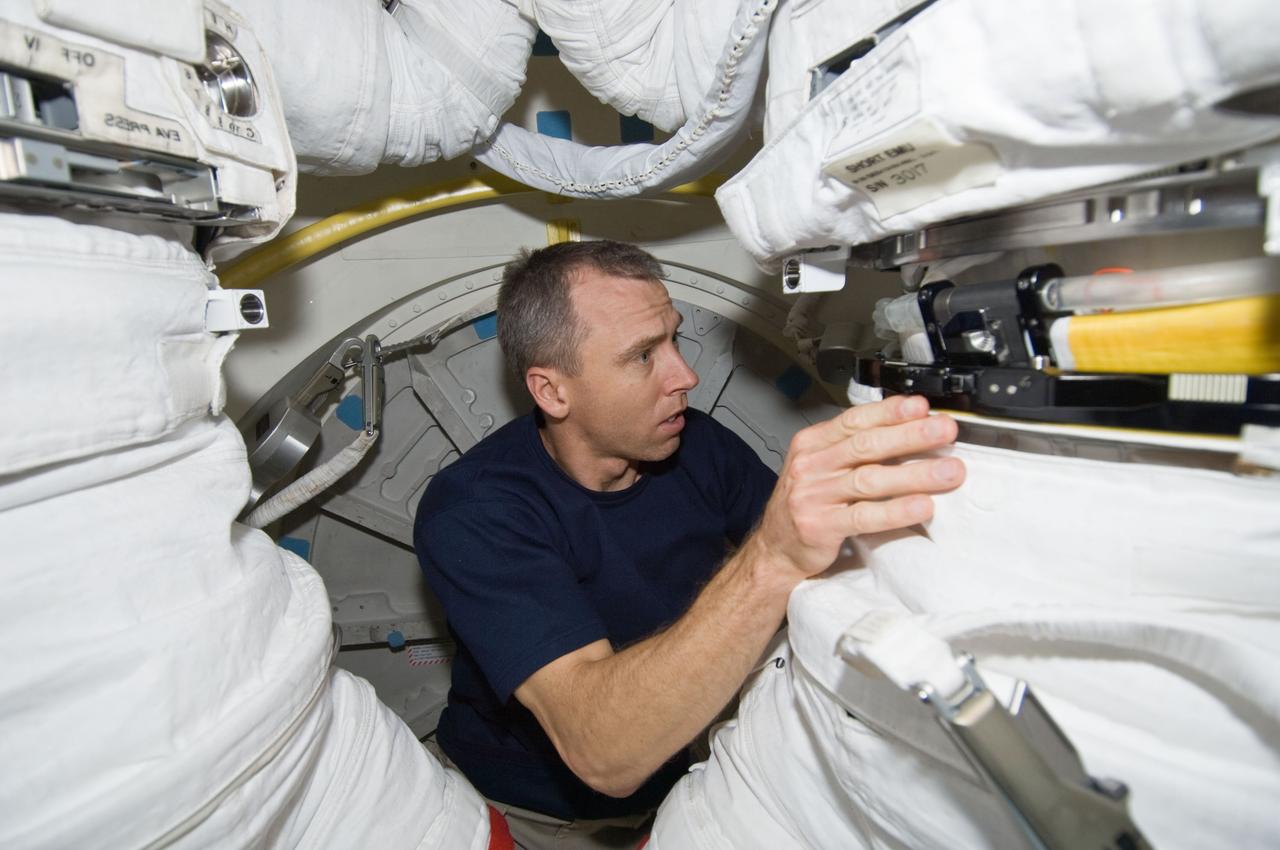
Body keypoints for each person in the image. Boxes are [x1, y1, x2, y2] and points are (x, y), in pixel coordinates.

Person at [413, 240, 965, 848]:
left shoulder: (696, 443)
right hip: (539, 815)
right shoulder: (476, 513)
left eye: (673, 339)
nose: (686, 376)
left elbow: (826, 568)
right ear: (552, 391)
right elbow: (605, 750)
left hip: (691, 774)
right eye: (643, 355)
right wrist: (771, 557)